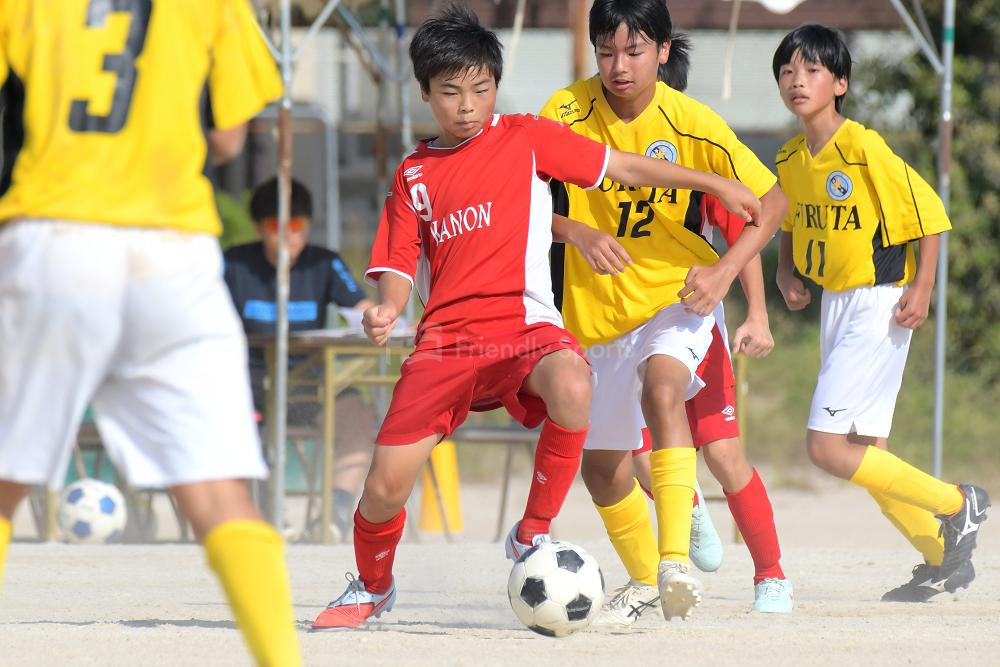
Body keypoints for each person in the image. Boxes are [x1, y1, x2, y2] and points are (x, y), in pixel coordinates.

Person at [310, 2, 763, 631]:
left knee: (574, 382)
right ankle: (372, 585)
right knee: (385, 486)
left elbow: (624, 168)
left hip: (526, 328)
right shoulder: (413, 175)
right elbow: (395, 262)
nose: (467, 106)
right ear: (424, 94)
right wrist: (387, 308)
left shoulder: (525, 137)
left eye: (480, 89)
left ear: (496, 86)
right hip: (447, 342)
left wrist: (712, 184)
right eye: (450, 93)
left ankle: (533, 531)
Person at [0, 2, 300, 664]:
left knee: (6, 473)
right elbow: (227, 135)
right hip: (173, 250)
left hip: (55, 230)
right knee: (219, 490)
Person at [540, 0, 789, 621]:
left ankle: (706, 562)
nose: (618, 66)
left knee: (669, 396)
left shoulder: (694, 123)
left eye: (634, 51)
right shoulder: (564, 113)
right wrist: (575, 232)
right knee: (601, 470)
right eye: (606, 52)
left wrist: (728, 274)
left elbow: (773, 201)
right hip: (596, 314)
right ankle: (653, 572)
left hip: (678, 298)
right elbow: (521, 205)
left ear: (664, 51)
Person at [772, 24, 989, 602]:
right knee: (868, 450)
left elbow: (931, 214)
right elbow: (788, 217)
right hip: (836, 306)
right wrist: (784, 270)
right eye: (788, 71)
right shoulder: (792, 155)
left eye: (813, 70)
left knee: (827, 448)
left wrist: (922, 287)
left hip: (877, 303)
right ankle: (943, 556)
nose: (799, 81)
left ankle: (957, 503)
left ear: (840, 82)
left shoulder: (864, 146)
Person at [224, 177, 375, 540]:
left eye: (298, 227)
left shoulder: (323, 263)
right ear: (261, 228)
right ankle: (262, 512)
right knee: (235, 418)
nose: (289, 237)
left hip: (311, 383)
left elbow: (361, 308)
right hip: (251, 384)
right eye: (278, 227)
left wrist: (379, 316)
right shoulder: (233, 264)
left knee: (359, 415)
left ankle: (335, 512)